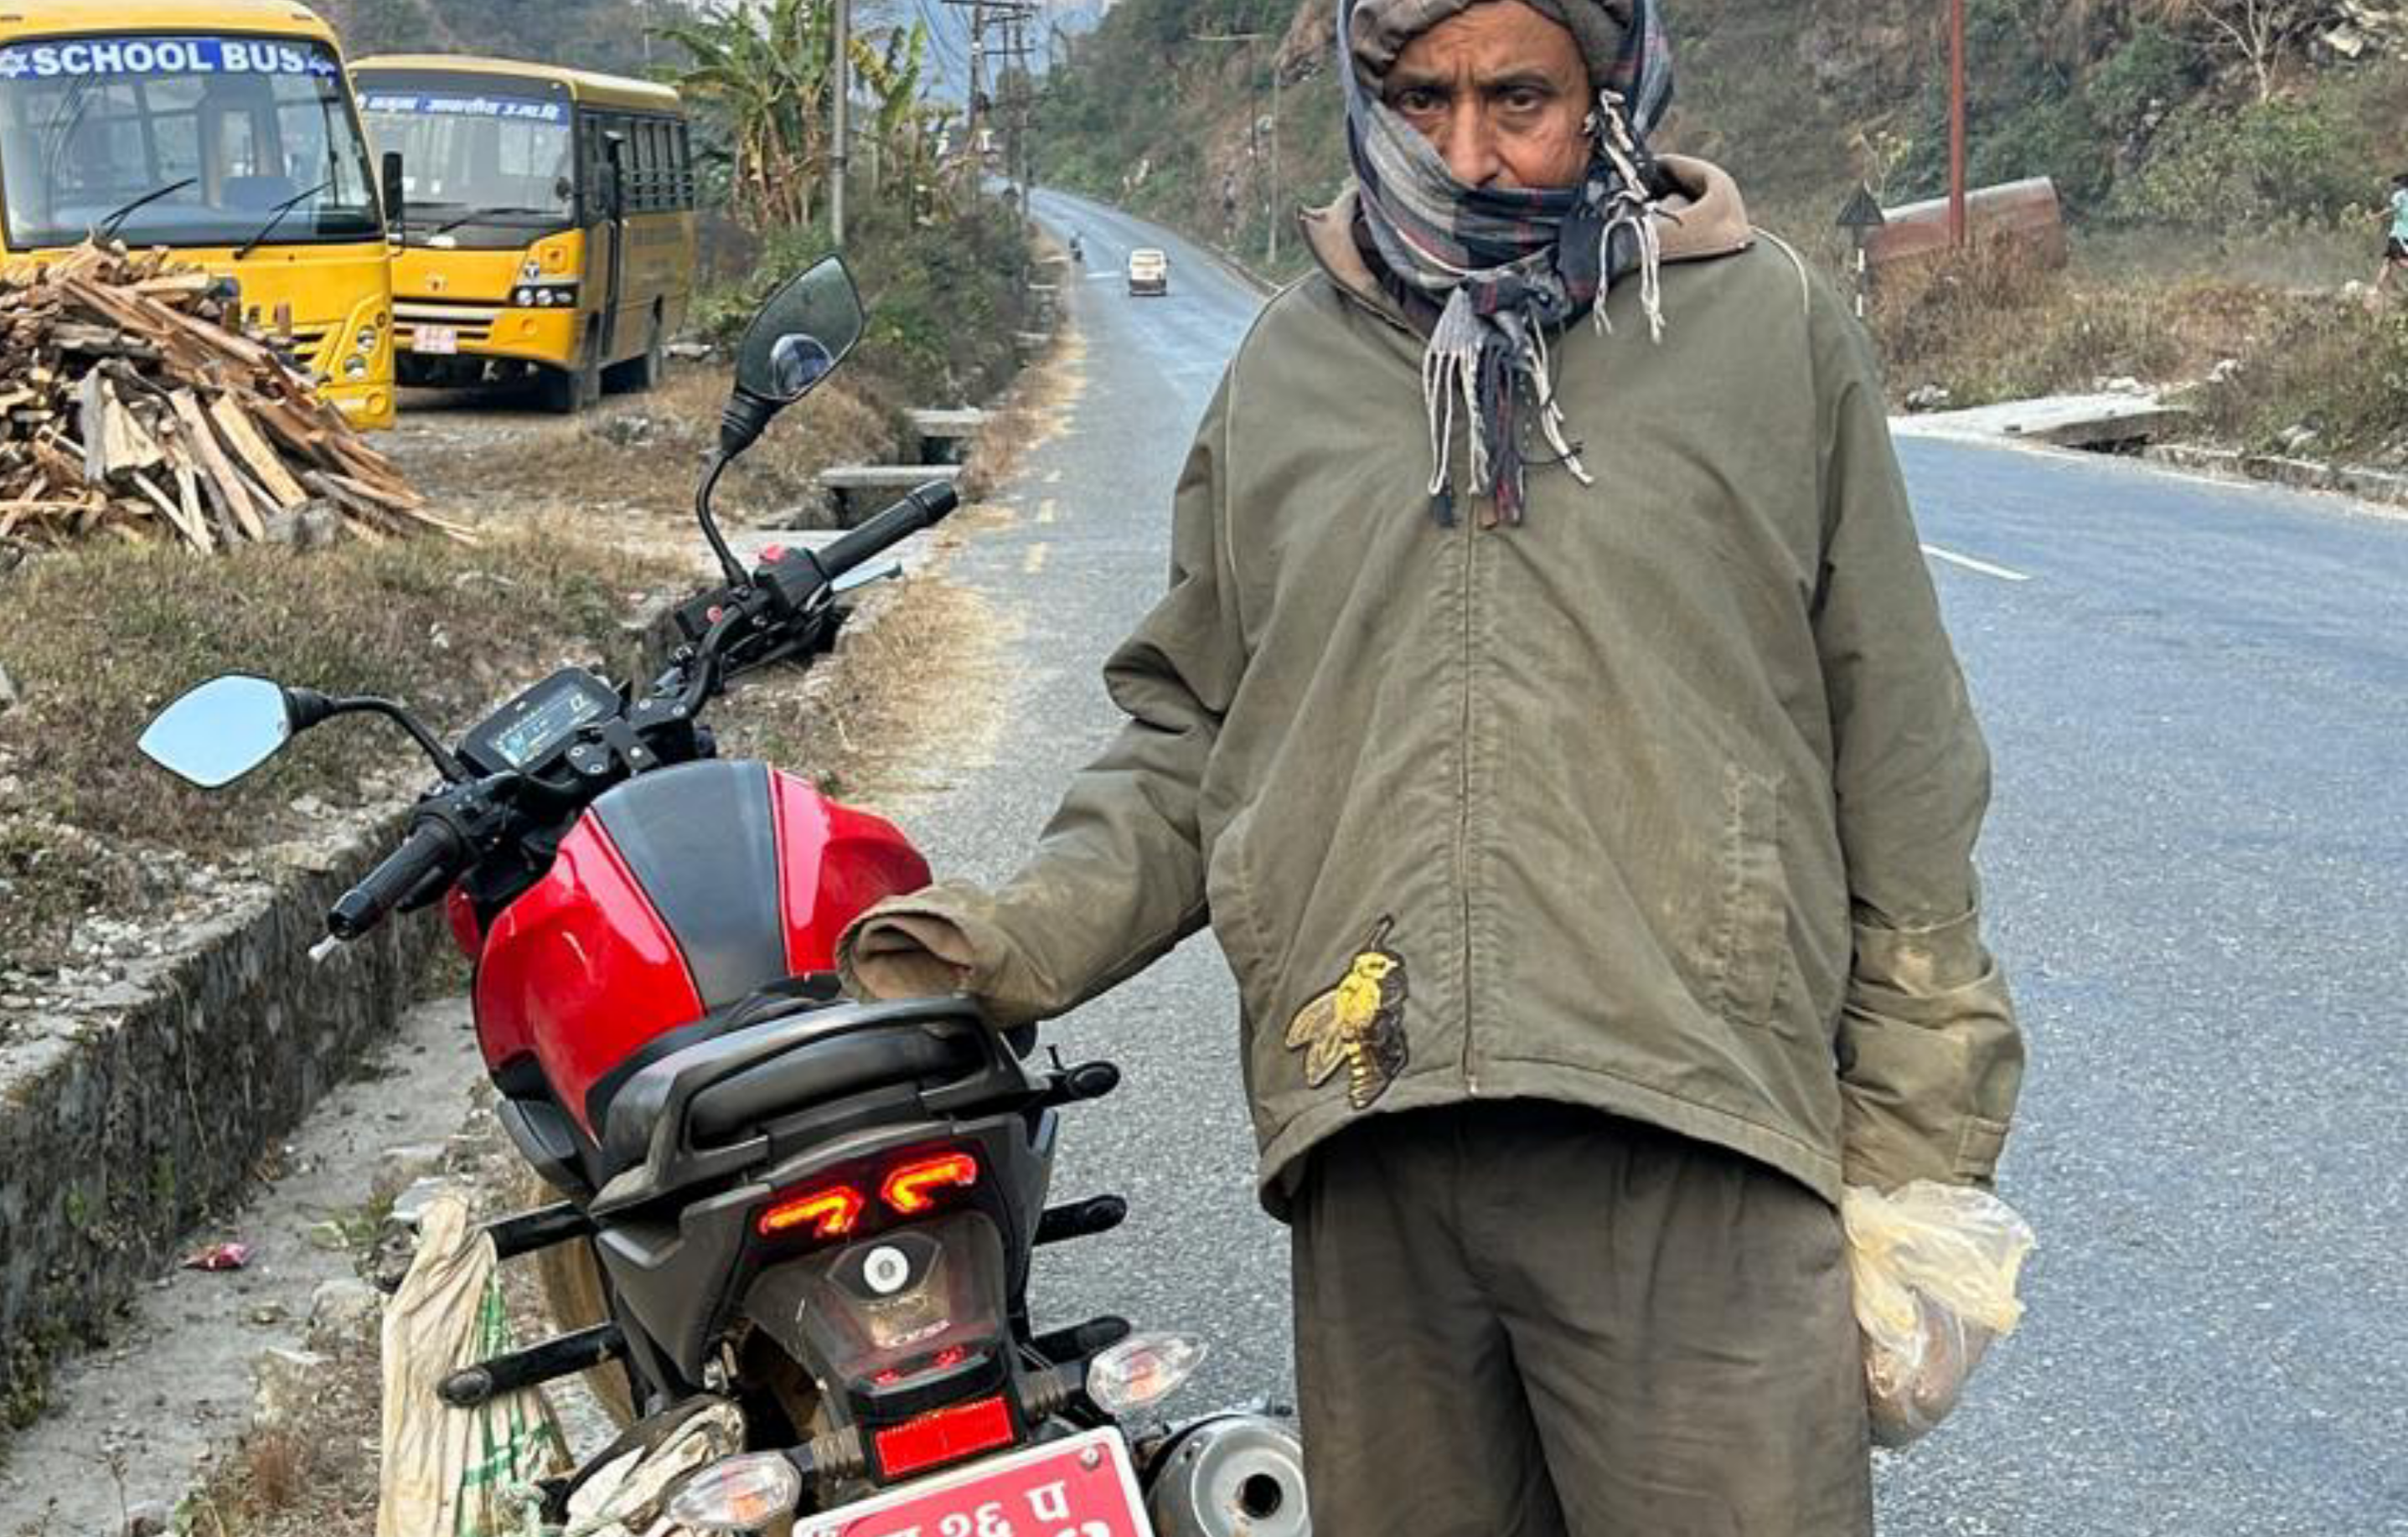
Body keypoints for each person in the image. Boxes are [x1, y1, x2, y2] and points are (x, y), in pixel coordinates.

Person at [839, 0, 2027, 1532]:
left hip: (1692, 1141)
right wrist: (1003, 943)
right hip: (1376, 1140)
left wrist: (1918, 1139)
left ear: (1609, 93)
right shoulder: (1287, 366)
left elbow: (1900, 746)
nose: (1465, 150)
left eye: (1516, 97)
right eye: (1418, 99)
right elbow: (1197, 730)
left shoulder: (1762, 335)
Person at [2379, 171, 2408, 294]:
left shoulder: (2399, 195)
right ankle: (2379, 286)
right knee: (2388, 260)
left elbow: (2392, 208)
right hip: (2404, 233)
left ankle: (2380, 287)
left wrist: (2376, 216)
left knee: (2397, 259)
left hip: (2399, 233)